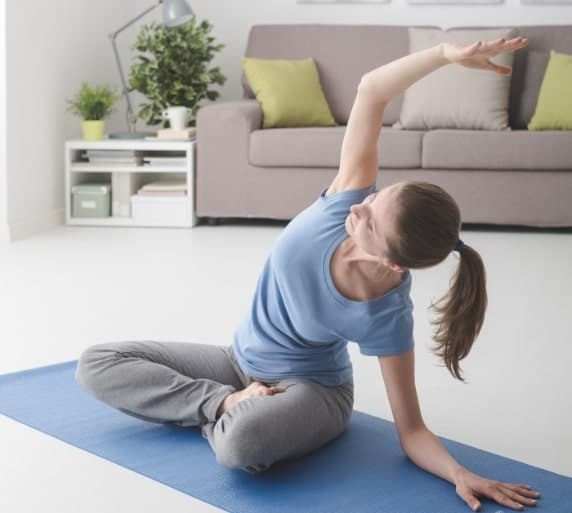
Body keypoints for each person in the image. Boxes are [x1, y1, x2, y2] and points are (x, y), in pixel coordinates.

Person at [75, 36, 541, 511]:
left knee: (241, 448)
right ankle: (225, 406)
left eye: (372, 219)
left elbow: (412, 430)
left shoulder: (386, 314)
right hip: (237, 362)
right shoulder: (345, 199)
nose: (360, 206)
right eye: (378, 195)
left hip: (312, 393)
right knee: (98, 363)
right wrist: (444, 55)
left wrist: (460, 474)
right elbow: (372, 90)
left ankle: (235, 413)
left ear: (393, 262)